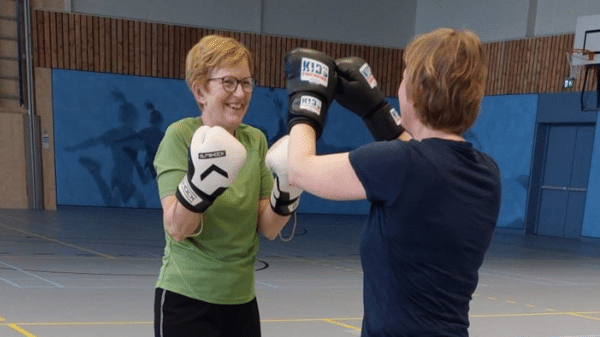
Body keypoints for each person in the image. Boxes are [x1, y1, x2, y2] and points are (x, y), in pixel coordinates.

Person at [285, 28, 502, 336]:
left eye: (403, 77)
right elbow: (425, 159)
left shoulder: (399, 164)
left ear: (416, 88)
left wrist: (306, 103)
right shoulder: (487, 173)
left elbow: (300, 170)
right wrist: (375, 112)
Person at [152, 35, 300, 337]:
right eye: (229, 82)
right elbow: (177, 228)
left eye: (246, 83)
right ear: (200, 90)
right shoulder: (180, 136)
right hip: (187, 299)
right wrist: (201, 182)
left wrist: (288, 189)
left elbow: (269, 227)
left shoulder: (254, 140)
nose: (240, 93)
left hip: (241, 301)